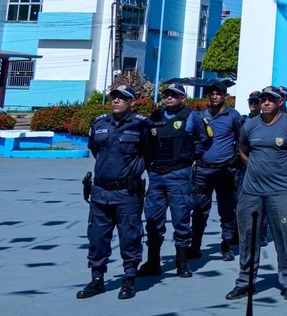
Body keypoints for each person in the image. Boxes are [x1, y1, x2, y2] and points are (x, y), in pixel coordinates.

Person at [227, 86, 287, 302]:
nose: (265, 103)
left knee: (284, 238)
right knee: (248, 238)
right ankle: (245, 283)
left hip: (280, 191)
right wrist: (254, 167)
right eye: (262, 99)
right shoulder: (250, 125)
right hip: (251, 191)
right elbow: (243, 150)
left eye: (270, 100)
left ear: (280, 102)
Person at [78, 85, 154, 300]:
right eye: (114, 97)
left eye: (122, 98)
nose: (117, 101)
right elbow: (95, 150)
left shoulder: (141, 125)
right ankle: (97, 279)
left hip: (127, 194)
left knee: (130, 236)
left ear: (132, 102)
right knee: (97, 237)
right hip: (101, 192)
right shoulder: (100, 123)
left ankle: (129, 279)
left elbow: (150, 152)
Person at [140, 82, 206, 280]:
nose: (169, 97)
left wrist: (190, 157)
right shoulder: (155, 116)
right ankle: (153, 262)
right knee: (153, 220)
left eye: (174, 95)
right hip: (156, 176)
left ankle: (182, 263)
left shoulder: (191, 116)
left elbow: (204, 139)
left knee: (181, 220)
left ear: (182, 98)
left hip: (180, 175)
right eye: (167, 94)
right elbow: (146, 142)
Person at [192, 80, 244, 262]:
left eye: (218, 93)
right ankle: (195, 245)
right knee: (199, 210)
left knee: (227, 211)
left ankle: (227, 245)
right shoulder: (199, 116)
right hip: (202, 171)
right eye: (211, 93)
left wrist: (237, 161)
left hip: (225, 171)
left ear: (224, 96)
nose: (214, 96)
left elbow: (242, 140)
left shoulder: (233, 116)